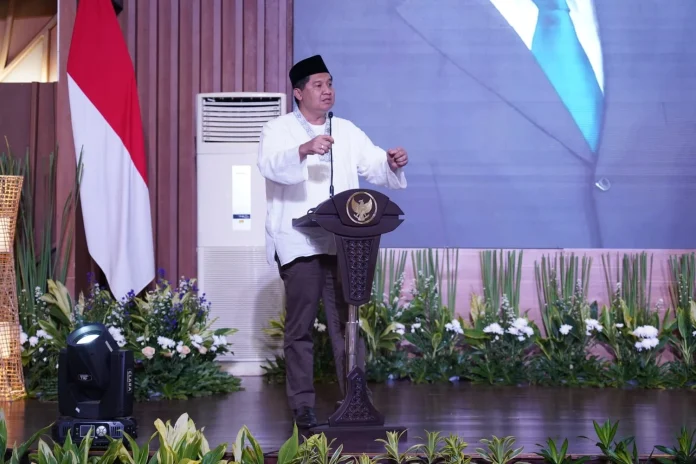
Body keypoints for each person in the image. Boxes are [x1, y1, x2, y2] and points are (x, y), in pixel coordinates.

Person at [257, 54, 409, 428]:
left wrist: (391, 162)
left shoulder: (346, 130)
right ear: (298, 93)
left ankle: (355, 400)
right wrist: (303, 149)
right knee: (301, 329)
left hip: (345, 243)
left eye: (330, 84)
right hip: (299, 242)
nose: (327, 91)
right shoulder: (278, 130)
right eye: (318, 85)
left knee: (348, 324)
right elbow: (270, 165)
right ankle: (303, 407)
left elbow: (374, 164)